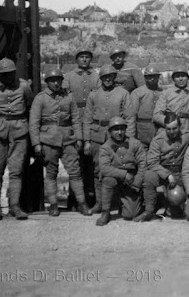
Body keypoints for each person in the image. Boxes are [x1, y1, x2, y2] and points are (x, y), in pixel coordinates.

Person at [29, 68, 90, 217]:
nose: (56, 83)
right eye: (52, 81)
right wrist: (36, 144)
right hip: (48, 140)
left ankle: (82, 204)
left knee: (75, 172)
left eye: (58, 80)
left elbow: (75, 119)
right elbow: (34, 123)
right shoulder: (40, 98)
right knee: (51, 173)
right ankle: (53, 205)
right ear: (47, 82)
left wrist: (80, 138)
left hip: (68, 139)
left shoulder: (69, 97)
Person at [0, 58, 34, 220]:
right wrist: (1, 120)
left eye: (10, 74)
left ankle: (14, 206)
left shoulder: (24, 86)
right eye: (3, 75)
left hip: (19, 130)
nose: (7, 77)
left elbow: (29, 105)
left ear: (14, 73)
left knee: (16, 170)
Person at [82, 65, 135, 213]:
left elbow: (130, 118)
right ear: (101, 78)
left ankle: (118, 203)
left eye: (110, 76)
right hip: (97, 135)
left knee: (119, 167)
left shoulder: (123, 93)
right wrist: (87, 141)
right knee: (98, 169)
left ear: (114, 77)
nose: (107, 79)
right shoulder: (93, 95)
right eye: (104, 77)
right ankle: (100, 202)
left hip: (117, 135)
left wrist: (129, 139)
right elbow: (87, 119)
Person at [136, 112, 189, 221]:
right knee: (149, 176)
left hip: (180, 173)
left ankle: (164, 201)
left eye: (174, 128)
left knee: (176, 212)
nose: (171, 132)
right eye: (168, 129)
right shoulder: (158, 140)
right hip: (163, 172)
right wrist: (167, 175)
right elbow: (152, 162)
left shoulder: (188, 136)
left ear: (180, 126)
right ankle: (149, 211)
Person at [62, 48, 99, 209]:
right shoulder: (68, 77)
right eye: (81, 57)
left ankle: (91, 197)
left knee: (90, 161)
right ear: (76, 59)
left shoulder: (96, 76)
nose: (84, 60)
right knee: (75, 161)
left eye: (87, 57)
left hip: (91, 121)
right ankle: (74, 199)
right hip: (74, 121)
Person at [96, 117, 147, 226]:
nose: (119, 132)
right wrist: (124, 174)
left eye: (122, 129)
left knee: (130, 215)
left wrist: (137, 181)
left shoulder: (135, 144)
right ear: (109, 132)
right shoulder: (105, 147)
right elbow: (104, 168)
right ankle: (105, 212)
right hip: (115, 178)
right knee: (108, 180)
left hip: (131, 181)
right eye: (115, 130)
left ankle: (128, 203)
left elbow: (143, 163)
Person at [153, 66, 189, 136]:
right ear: (173, 79)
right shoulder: (166, 93)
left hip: (187, 129)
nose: (180, 79)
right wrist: (170, 122)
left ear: (188, 78)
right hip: (169, 131)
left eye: (183, 76)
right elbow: (156, 115)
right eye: (177, 76)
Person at [129, 65, 163, 150]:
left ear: (158, 77)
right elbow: (132, 115)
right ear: (145, 78)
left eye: (155, 76)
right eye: (149, 77)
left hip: (159, 129)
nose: (152, 79)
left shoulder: (163, 92)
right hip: (142, 130)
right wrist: (131, 135)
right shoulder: (137, 93)